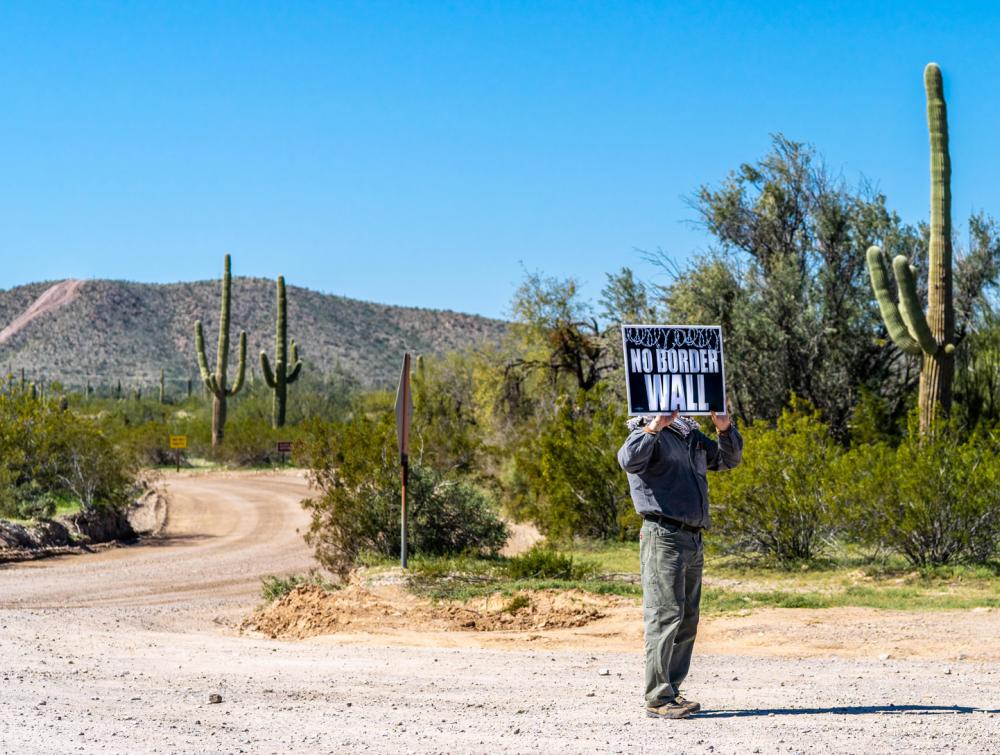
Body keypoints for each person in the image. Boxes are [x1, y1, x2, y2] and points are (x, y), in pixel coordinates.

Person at [617, 407, 743, 719]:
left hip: (692, 537)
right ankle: (658, 698)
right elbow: (628, 460)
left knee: (687, 618)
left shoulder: (691, 437)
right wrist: (655, 426)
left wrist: (725, 429)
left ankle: (671, 690)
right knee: (664, 616)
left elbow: (728, 460)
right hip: (663, 534)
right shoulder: (646, 432)